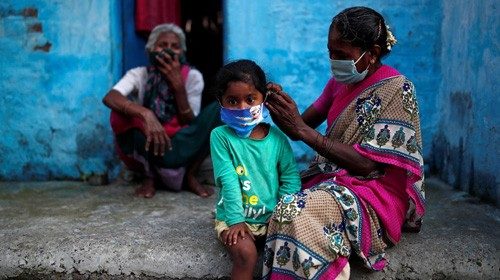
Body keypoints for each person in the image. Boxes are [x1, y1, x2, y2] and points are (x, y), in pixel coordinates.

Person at [262, 7, 426, 279]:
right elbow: (298, 128)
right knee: (268, 203)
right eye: (330, 52)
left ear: (372, 53)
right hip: (333, 181)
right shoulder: (338, 83)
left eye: (342, 55)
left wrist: (302, 130)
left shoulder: (397, 88)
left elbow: (367, 165)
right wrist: (279, 106)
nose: (333, 60)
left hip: (375, 193)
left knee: (294, 213)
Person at [102, 23, 221, 198]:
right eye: (162, 45)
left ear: (182, 53)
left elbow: (191, 123)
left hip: (182, 143)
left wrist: (178, 87)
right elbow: (110, 97)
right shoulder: (140, 74)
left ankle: (190, 174)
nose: (168, 50)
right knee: (119, 114)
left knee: (221, 110)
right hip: (150, 143)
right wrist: (146, 114)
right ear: (151, 50)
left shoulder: (193, 77)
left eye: (175, 46)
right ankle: (149, 176)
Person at [210, 59, 301, 280]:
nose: (242, 107)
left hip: (273, 218)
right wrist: (235, 220)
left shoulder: (277, 139)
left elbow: (290, 178)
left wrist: (280, 216)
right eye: (232, 100)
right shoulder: (220, 137)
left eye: (250, 99)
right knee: (246, 254)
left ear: (263, 99)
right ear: (220, 101)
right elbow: (228, 179)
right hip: (236, 219)